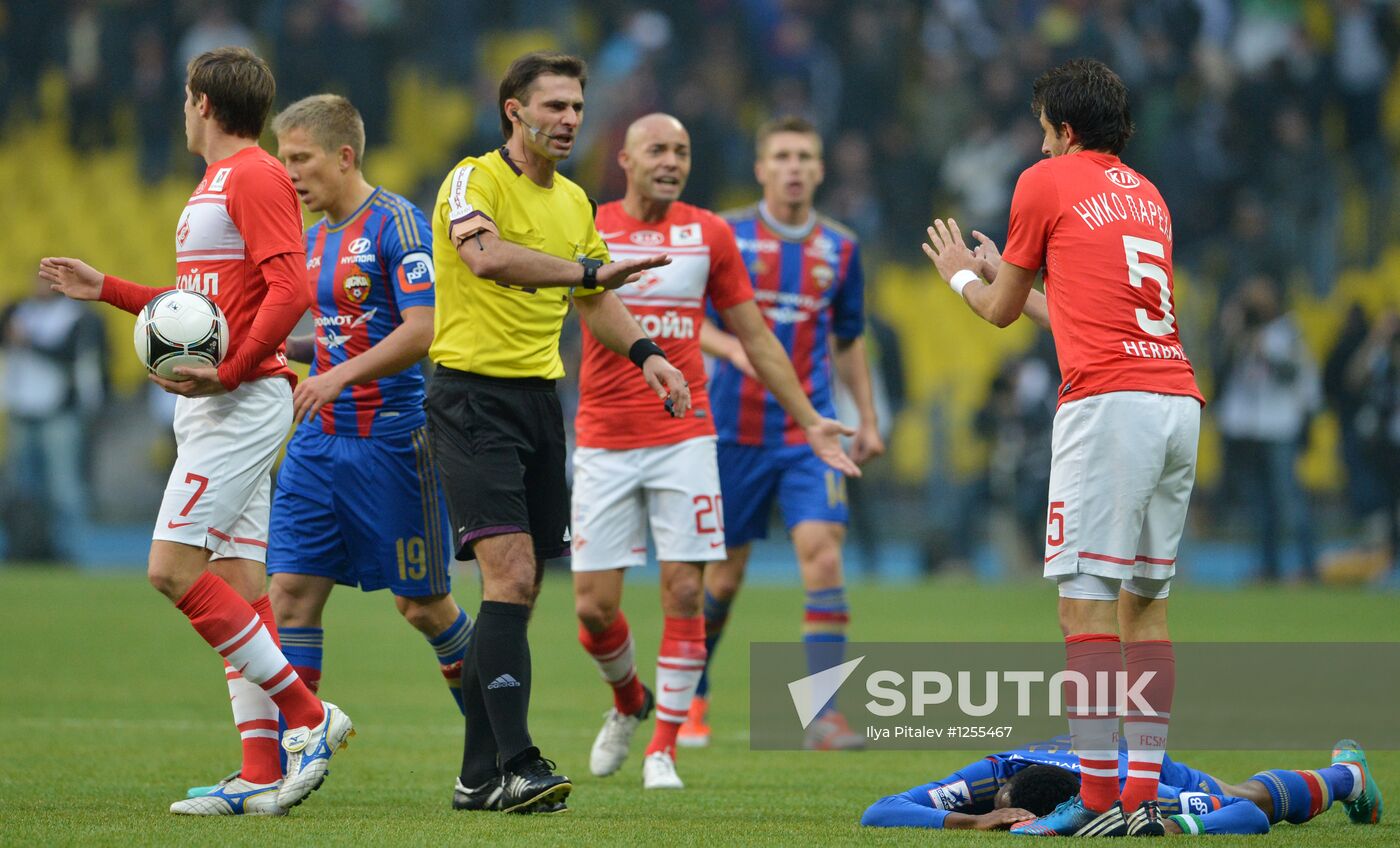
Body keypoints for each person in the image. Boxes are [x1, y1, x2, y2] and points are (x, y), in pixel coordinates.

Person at [39, 47, 351, 816]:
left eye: (185, 98)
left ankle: (312, 720)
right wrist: (107, 288)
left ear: (202, 103)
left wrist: (238, 369)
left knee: (171, 569)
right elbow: (197, 307)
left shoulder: (252, 175)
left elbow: (289, 288)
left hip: (239, 403)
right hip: (217, 399)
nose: (182, 110)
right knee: (242, 587)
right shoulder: (215, 184)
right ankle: (257, 771)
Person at [921, 58, 1203, 836]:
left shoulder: (1043, 182)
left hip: (1108, 410)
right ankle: (1141, 797)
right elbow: (1086, 317)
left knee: (1083, 607)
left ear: (1065, 129)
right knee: (1145, 608)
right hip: (1175, 399)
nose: (1041, 146)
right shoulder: (1147, 194)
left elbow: (999, 313)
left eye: (1045, 131)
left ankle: (1101, 799)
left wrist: (959, 276)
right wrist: (1001, 270)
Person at [182, 93, 470, 799]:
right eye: (283, 159)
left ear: (346, 156)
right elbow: (337, 332)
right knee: (290, 593)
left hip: (392, 442)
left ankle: (495, 737)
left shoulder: (397, 222)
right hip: (319, 439)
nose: (291, 173)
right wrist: (278, 353)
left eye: (301, 159)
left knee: (423, 607)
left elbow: (420, 330)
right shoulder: (311, 237)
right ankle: (292, 759)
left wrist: (335, 373)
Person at [426, 51, 691, 815]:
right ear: (514, 110)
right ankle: (518, 764)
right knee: (508, 578)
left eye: (577, 107)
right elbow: (485, 258)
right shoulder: (474, 179)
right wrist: (583, 274)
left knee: (521, 589)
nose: (570, 119)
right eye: (554, 107)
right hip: (470, 396)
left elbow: (595, 298)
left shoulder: (576, 201)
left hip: (539, 400)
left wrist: (648, 356)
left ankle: (476, 777)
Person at [572, 113, 859, 790]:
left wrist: (813, 418)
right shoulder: (589, 225)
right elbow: (572, 302)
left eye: (683, 150)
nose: (672, 160)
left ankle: (663, 748)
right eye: (658, 150)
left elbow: (757, 337)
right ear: (627, 159)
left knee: (685, 588)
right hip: (605, 436)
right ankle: (627, 702)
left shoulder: (710, 233)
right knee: (593, 608)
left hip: (687, 435)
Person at [684, 115, 884, 751]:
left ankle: (821, 716)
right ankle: (692, 697)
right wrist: (734, 350)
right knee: (723, 577)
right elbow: (688, 320)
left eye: (805, 156)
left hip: (810, 432)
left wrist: (869, 420)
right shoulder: (726, 235)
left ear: (820, 170)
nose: (795, 166)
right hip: (733, 432)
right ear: (761, 168)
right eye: (783, 156)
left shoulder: (841, 249)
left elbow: (849, 340)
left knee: (823, 552)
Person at [860, 736, 1383, 835]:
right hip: (1087, 749)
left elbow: (1243, 820)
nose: (995, 805)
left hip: (1142, 761)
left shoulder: (1138, 789)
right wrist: (975, 817)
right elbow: (878, 811)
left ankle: (1350, 776)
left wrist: (1182, 825)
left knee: (1249, 797)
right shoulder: (994, 773)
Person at [1, 271, 106, 561]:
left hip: (59, 412)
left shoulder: (74, 315)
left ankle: (71, 552)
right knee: (23, 488)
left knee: (64, 488)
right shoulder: (20, 310)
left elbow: (69, 355)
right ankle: (26, 548)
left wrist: (28, 341)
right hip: (22, 409)